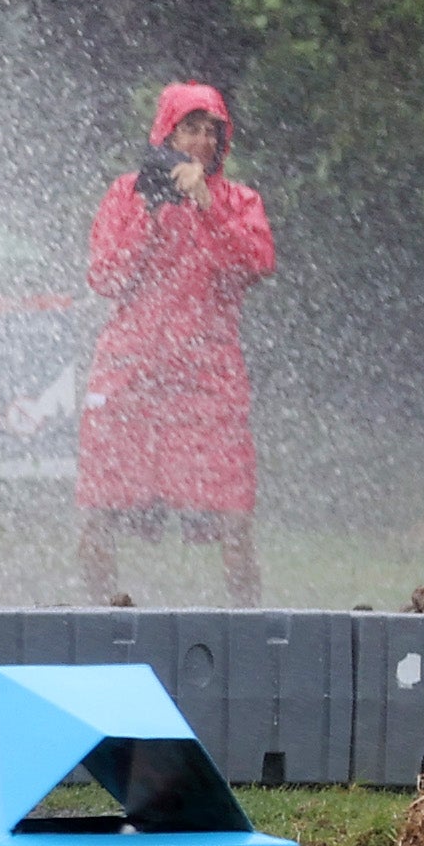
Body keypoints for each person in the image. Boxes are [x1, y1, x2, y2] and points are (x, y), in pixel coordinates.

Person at [75, 82, 275, 604]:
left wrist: (206, 206)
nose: (203, 142)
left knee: (234, 517)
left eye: (213, 132)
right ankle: (98, 623)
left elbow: (253, 266)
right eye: (191, 129)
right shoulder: (126, 194)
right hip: (129, 375)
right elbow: (106, 277)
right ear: (167, 132)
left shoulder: (237, 201)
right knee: (99, 511)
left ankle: (249, 634)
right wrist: (150, 210)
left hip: (207, 378)